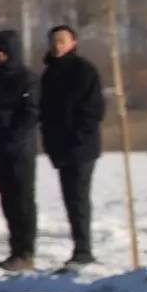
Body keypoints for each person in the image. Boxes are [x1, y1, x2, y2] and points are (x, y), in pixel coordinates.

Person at [40, 25, 105, 271]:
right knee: (70, 198)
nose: (58, 45)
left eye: (62, 41)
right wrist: (50, 142)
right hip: (60, 147)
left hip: (81, 146)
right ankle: (79, 247)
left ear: (73, 43)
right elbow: (44, 112)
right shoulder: (49, 74)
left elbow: (94, 109)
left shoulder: (84, 71)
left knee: (78, 197)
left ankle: (84, 250)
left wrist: (77, 136)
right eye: (54, 41)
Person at [0, 30, 41, 272]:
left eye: (4, 51)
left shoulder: (28, 79)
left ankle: (26, 252)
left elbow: (31, 112)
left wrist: (12, 140)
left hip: (20, 150)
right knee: (8, 201)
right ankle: (15, 251)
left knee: (23, 200)